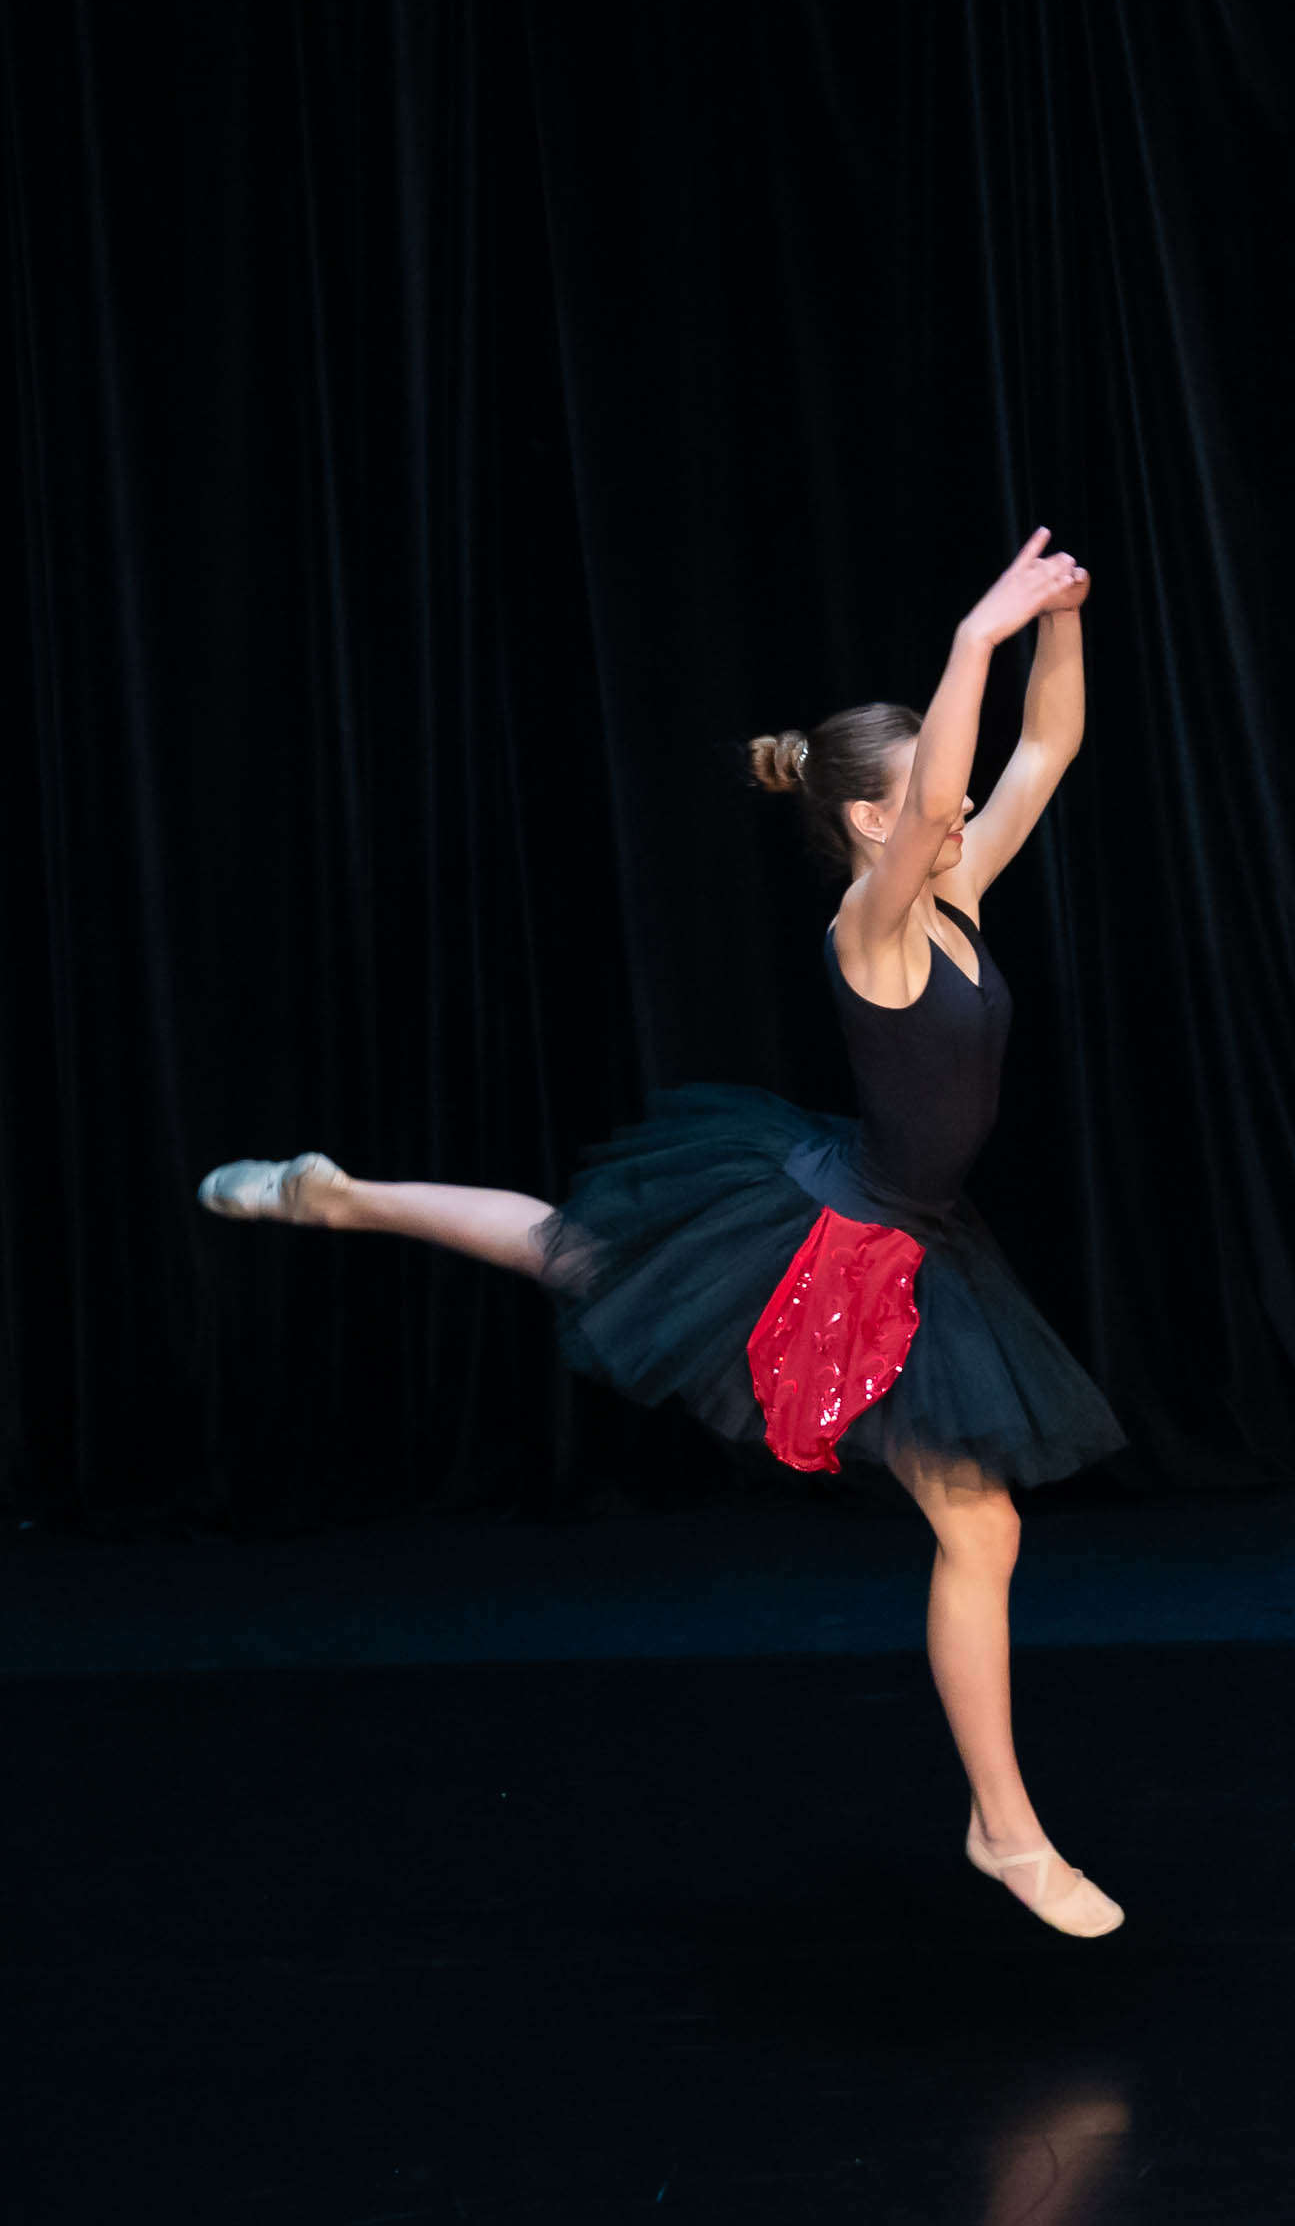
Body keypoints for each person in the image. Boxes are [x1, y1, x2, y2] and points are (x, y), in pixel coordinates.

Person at [197, 529, 1129, 1939]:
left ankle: (339, 1192)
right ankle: (1004, 1829)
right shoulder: (874, 919)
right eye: (927, 805)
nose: (956, 812)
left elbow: (1045, 747)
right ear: (868, 819)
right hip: (835, 1236)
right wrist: (972, 637)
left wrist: (1060, 621)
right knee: (964, 1514)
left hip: (918, 1231)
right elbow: (951, 780)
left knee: (579, 1256)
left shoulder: (955, 884)